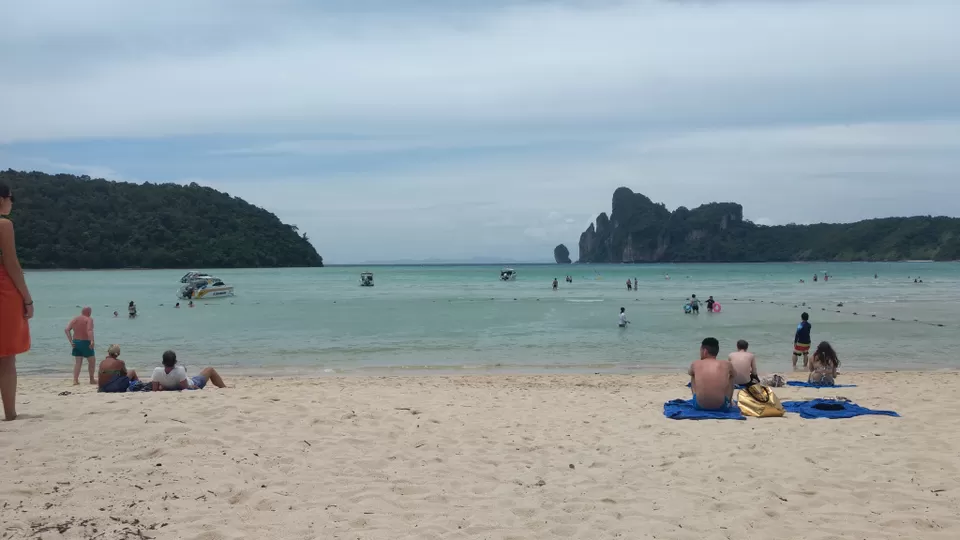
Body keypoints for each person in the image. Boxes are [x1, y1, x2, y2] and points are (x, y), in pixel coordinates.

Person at [0, 183, 32, 421]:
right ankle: (10, 412)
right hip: (3, 289)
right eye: (12, 198)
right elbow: (11, 264)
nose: (12, 203)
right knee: (6, 354)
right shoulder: (3, 224)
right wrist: (27, 299)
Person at [688, 337, 735, 411]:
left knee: (693, 375)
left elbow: (690, 372)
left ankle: (695, 397)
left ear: (705, 351)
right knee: (731, 377)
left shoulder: (695, 363)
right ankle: (729, 401)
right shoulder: (727, 364)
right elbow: (734, 375)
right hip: (722, 407)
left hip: (699, 406)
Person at [150, 350, 227, 391]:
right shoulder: (180, 370)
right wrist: (194, 388)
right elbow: (186, 388)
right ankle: (224, 388)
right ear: (175, 362)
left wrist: (165, 388)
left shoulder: (157, 371)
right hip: (194, 383)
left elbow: (155, 390)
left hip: (174, 384)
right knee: (210, 369)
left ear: (163, 362)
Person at [65, 307, 97, 385]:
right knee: (92, 361)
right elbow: (89, 330)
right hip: (85, 342)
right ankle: (91, 379)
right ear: (89, 312)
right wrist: (92, 341)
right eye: (90, 312)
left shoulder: (75, 319)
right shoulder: (88, 319)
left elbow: (67, 329)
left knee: (78, 362)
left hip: (76, 342)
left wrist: (71, 341)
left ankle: (75, 380)